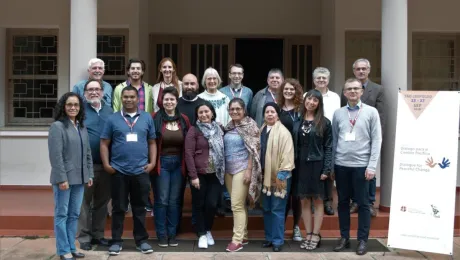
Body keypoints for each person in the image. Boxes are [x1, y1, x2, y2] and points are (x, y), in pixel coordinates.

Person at [101, 86, 157, 256]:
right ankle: (116, 241)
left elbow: (152, 142)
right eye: (125, 97)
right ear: (122, 98)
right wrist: (106, 165)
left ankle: (141, 241)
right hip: (119, 171)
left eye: (132, 97)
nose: (128, 100)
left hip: (141, 171)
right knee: (118, 208)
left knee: (140, 208)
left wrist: (152, 163)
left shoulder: (147, 117)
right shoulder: (113, 119)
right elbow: (104, 143)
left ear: (138, 98)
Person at [332, 78, 382, 255]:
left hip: (362, 166)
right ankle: (344, 237)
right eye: (349, 89)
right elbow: (335, 139)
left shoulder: (371, 112)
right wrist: (332, 165)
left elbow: (376, 140)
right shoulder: (338, 113)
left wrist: (372, 166)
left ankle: (362, 240)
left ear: (361, 91)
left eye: (356, 89)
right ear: (344, 93)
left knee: (363, 204)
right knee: (343, 203)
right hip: (341, 165)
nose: (353, 92)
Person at [48, 92, 93, 260]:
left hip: (80, 178)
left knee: (74, 214)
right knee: (62, 214)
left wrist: (89, 174)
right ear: (63, 107)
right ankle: (63, 250)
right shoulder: (57, 127)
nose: (73, 107)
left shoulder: (81, 126)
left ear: (80, 108)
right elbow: (55, 156)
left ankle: (71, 246)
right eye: (69, 105)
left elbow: (87, 152)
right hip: (64, 180)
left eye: (76, 105)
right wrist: (61, 179)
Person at [341, 59, 385, 217]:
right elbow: (344, 112)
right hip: (350, 140)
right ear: (354, 71)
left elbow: (380, 117)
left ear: (369, 70)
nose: (361, 71)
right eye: (358, 69)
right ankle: (356, 201)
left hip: (368, 138)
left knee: (370, 172)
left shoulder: (378, 90)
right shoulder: (346, 89)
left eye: (364, 69)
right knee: (353, 172)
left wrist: (377, 139)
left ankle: (369, 202)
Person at [151, 87, 191, 248]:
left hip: (178, 164)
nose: (169, 102)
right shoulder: (155, 118)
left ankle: (172, 234)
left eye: (172, 99)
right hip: (162, 163)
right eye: (166, 99)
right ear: (161, 101)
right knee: (161, 200)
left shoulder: (183, 119)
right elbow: (151, 142)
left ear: (176, 101)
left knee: (175, 201)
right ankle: (161, 235)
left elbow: (188, 143)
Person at [293, 89, 332, 251]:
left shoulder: (324, 122)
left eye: (315, 100)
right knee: (304, 200)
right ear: (305, 100)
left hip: (317, 165)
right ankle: (308, 233)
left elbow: (329, 147)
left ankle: (316, 234)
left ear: (319, 104)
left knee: (317, 200)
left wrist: (327, 169)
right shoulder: (298, 120)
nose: (311, 102)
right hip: (301, 165)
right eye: (309, 99)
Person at [77, 80, 113, 251]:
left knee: (101, 202)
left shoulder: (109, 110)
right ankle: (84, 237)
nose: (93, 92)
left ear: (102, 92)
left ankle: (98, 235)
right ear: (84, 93)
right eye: (90, 89)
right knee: (84, 202)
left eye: (96, 89)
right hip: (86, 166)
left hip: (105, 165)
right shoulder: (79, 111)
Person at [223, 98, 262, 252]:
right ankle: (244, 235)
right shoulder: (228, 126)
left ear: (244, 109)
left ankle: (237, 239)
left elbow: (254, 149)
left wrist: (249, 170)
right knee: (240, 204)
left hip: (243, 168)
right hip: (228, 170)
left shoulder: (250, 125)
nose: (235, 112)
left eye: (238, 109)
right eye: (232, 109)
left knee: (236, 204)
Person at [184, 102, 225, 249]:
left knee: (212, 204)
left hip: (216, 173)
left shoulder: (220, 129)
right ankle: (201, 233)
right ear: (197, 116)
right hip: (199, 174)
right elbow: (188, 154)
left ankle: (208, 230)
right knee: (199, 204)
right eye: (200, 113)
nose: (204, 115)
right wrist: (193, 176)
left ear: (212, 113)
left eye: (206, 111)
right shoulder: (193, 130)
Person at [259, 102, 295, 252]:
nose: (269, 114)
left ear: (277, 114)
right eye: (267, 112)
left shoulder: (283, 132)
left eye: (272, 112)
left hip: (280, 175)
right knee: (266, 208)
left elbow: (288, 155)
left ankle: (278, 241)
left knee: (277, 209)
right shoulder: (261, 130)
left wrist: (281, 175)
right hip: (264, 176)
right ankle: (269, 238)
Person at [276, 78, 303, 241]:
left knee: (297, 195)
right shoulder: (278, 110)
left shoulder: (302, 109)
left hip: (300, 156)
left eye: (292, 89)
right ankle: (281, 226)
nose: (289, 92)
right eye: (286, 89)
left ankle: (296, 228)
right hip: (283, 157)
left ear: (297, 91)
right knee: (284, 192)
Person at [311, 67, 340, 216]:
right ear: (314, 80)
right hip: (312, 136)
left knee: (328, 168)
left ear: (328, 80)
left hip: (330, 136)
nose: (321, 80)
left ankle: (328, 201)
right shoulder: (307, 95)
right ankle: (313, 200)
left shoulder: (335, 97)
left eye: (324, 78)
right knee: (313, 169)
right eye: (318, 78)